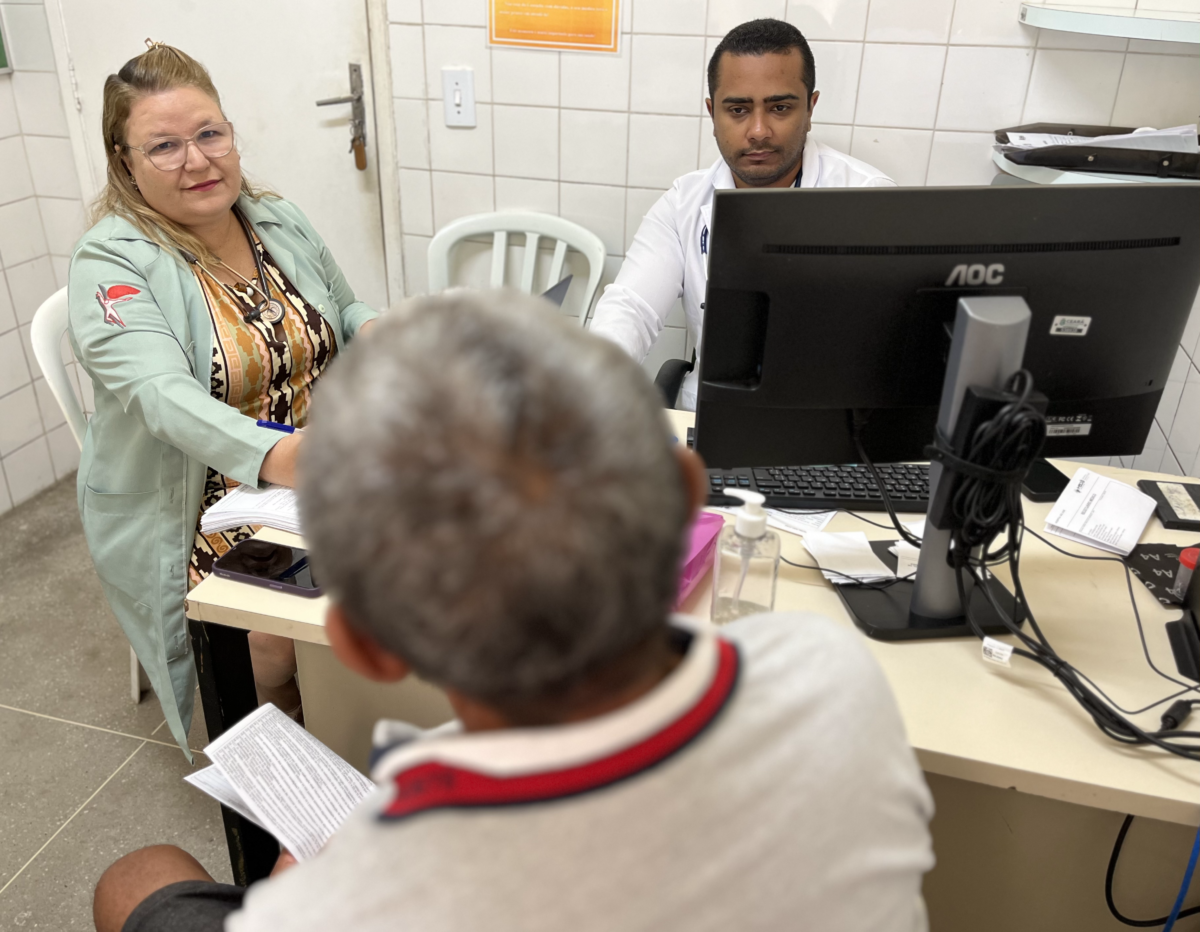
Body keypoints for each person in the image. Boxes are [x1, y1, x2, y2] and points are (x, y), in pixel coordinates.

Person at [91, 290, 934, 932]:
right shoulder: (833, 675)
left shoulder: (348, 906)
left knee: (133, 878)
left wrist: (298, 889)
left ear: (365, 642)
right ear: (684, 498)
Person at [69, 42, 378, 754]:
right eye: (165, 146)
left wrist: (392, 332)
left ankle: (370, 715)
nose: (198, 160)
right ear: (125, 164)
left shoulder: (273, 217)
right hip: (201, 499)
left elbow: (343, 309)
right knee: (273, 634)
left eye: (210, 134)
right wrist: (286, 456)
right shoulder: (112, 261)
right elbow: (162, 398)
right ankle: (290, 763)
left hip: (317, 458)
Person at [590, 18, 895, 410]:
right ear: (712, 112)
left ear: (810, 107)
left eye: (780, 107)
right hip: (710, 416)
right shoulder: (683, 202)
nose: (758, 130)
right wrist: (589, 384)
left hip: (829, 424)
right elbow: (630, 308)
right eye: (737, 109)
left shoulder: (869, 199)